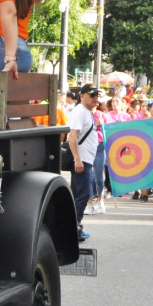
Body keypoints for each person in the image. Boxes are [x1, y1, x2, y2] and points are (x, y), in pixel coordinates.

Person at [68, 84, 100, 242]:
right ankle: (74, 227)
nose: (96, 98)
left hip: (86, 159)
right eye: (92, 95)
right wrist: (77, 159)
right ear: (82, 96)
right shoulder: (80, 111)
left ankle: (71, 227)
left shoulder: (87, 112)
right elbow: (72, 136)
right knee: (84, 194)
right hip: (82, 161)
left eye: (97, 95)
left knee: (77, 195)